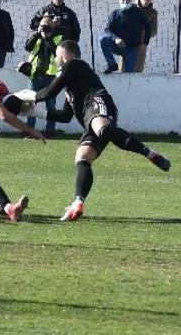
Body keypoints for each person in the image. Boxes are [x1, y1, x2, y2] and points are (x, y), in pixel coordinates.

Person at [27, 39, 171, 222]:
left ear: (64, 55)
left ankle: (149, 153)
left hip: (97, 102)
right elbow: (65, 116)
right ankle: (78, 202)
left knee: (102, 129)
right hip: (89, 119)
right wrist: (37, 113)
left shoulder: (75, 64)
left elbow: (48, 93)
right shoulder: (72, 81)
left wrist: (28, 97)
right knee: (82, 158)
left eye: (57, 54)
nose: (56, 59)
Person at [22, 16, 64, 132]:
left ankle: (50, 131)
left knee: (50, 106)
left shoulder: (58, 37)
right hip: (35, 76)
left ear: (53, 26)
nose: (45, 27)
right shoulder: (37, 37)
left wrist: (48, 38)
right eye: (43, 25)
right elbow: (27, 47)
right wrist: (37, 33)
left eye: (48, 25)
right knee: (30, 104)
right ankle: (29, 131)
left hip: (50, 77)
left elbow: (57, 53)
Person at [100, 0, 149, 74]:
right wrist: (116, 39)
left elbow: (148, 27)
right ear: (119, 0)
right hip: (118, 46)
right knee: (102, 39)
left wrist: (145, 43)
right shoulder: (115, 13)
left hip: (132, 48)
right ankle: (112, 64)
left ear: (131, 0)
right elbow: (108, 30)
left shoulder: (138, 12)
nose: (125, 1)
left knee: (130, 75)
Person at [133, 0, 158, 72]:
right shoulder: (131, 8)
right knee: (124, 69)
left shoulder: (153, 13)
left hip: (142, 44)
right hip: (127, 43)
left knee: (138, 70)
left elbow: (154, 31)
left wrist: (144, 33)